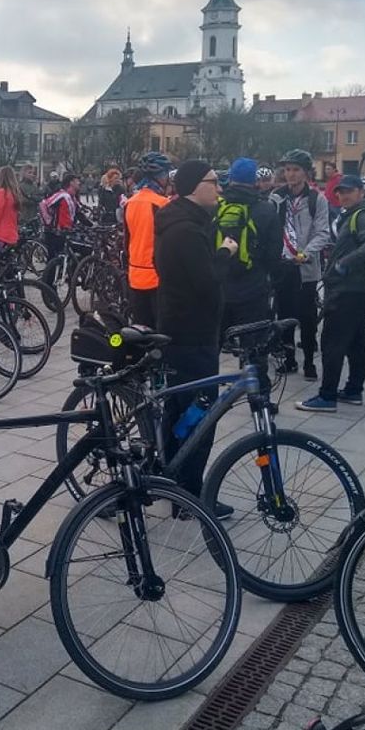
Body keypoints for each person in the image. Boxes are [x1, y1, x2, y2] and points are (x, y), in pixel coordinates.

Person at [153, 160, 237, 506]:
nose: (219, 189)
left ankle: (170, 478)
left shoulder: (184, 222)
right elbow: (205, 282)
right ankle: (189, 491)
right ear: (193, 186)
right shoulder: (185, 230)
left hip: (185, 330)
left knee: (182, 409)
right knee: (200, 413)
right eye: (213, 182)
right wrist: (225, 252)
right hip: (191, 334)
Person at [296, 174, 365, 412]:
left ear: (361, 192)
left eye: (349, 191)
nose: (343, 195)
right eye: (340, 192)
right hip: (357, 289)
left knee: (332, 343)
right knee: (356, 343)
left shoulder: (363, 215)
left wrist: (344, 263)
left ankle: (327, 396)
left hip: (348, 290)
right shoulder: (356, 214)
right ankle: (354, 390)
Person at [217, 157, 282, 392]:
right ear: (254, 181)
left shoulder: (217, 208)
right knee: (255, 350)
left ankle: (205, 398)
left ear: (231, 179)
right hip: (253, 291)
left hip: (220, 290)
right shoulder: (266, 210)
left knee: (212, 347)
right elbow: (275, 255)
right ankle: (260, 398)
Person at [271, 149, 332, 381]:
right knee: (284, 314)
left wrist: (307, 253)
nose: (291, 174)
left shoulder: (317, 199)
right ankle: (289, 359)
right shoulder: (276, 197)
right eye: (287, 170)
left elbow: (323, 232)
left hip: (306, 267)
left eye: (296, 170)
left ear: (306, 173)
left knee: (307, 316)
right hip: (284, 266)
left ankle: (308, 360)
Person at [122, 152, 171, 327]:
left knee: (141, 330)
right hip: (157, 278)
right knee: (160, 331)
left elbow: (127, 241)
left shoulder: (129, 203)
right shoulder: (162, 204)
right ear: (161, 177)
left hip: (135, 275)